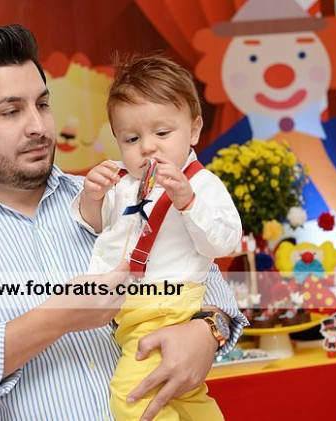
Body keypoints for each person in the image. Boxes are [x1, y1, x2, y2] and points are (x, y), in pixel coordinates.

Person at [0, 24, 247, 421]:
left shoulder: (115, 195)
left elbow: (211, 284)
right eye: (11, 111)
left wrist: (207, 330)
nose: (38, 126)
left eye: (42, 104)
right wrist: (57, 317)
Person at [73, 55, 242, 420]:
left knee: (131, 398)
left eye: (162, 133)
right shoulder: (121, 182)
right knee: (184, 397)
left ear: (194, 130)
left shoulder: (201, 183)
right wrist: (93, 196)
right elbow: (94, 227)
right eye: (132, 138)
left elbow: (225, 243)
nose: (147, 147)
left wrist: (188, 202)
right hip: (130, 309)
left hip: (165, 307)